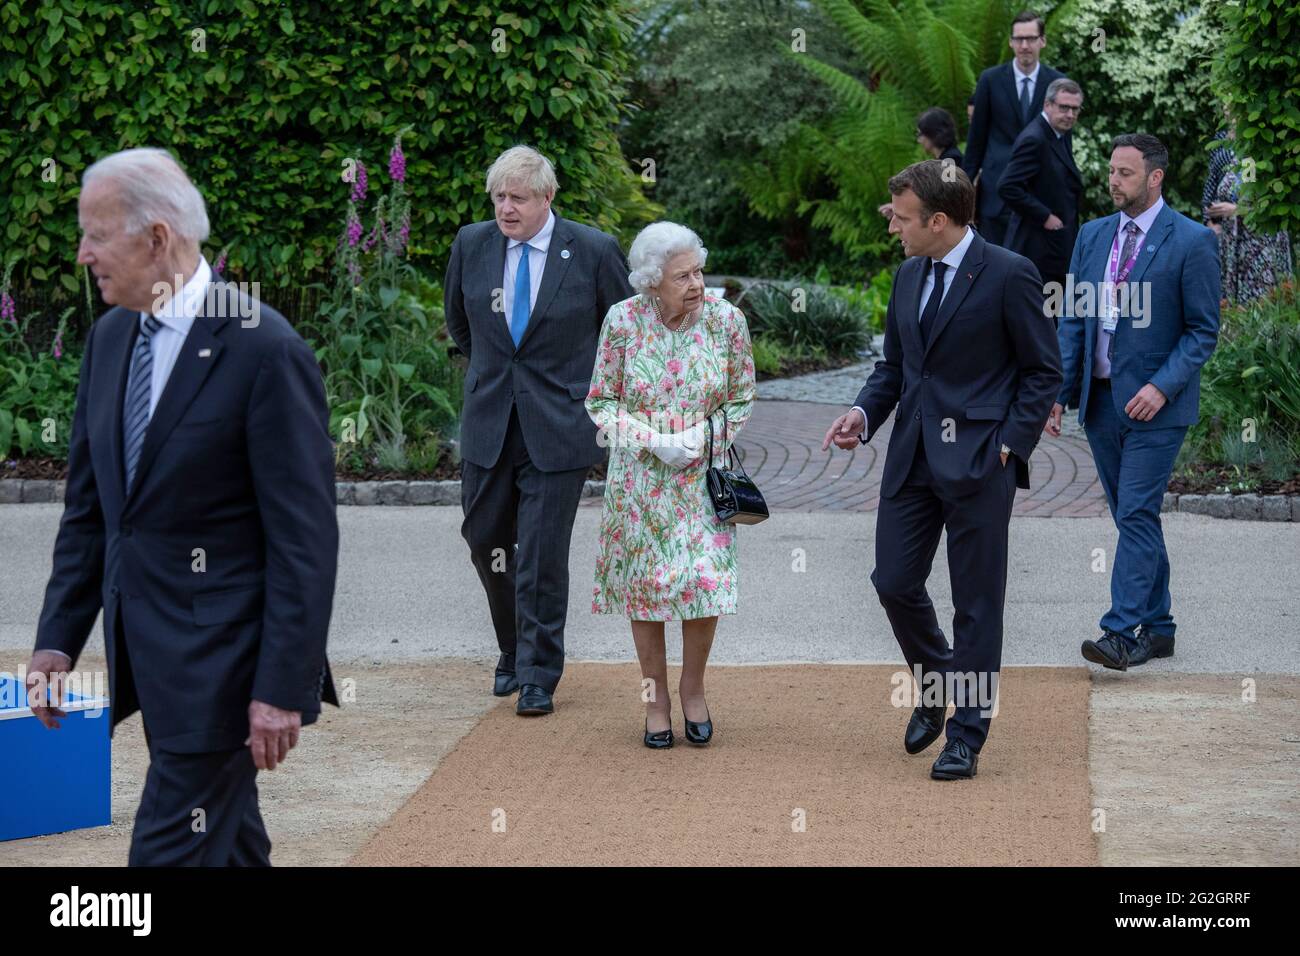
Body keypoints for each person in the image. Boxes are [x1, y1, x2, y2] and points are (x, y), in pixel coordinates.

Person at [26, 147, 339, 865]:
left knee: (166, 851)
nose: (82, 255)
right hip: (150, 658)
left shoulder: (263, 347)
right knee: (229, 847)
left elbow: (304, 540)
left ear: (157, 237)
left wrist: (280, 689)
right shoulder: (110, 339)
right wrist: (56, 641)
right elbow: (93, 512)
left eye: (96, 235)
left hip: (224, 671)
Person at [822, 160, 1061, 780]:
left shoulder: (1011, 274)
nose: (893, 228)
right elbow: (897, 369)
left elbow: (1042, 372)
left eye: (901, 218)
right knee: (893, 580)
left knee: (977, 604)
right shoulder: (907, 275)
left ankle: (967, 734)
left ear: (938, 219)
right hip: (913, 458)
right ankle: (936, 682)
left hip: (984, 463)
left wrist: (1010, 446)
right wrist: (861, 414)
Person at [444, 146, 633, 716]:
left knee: (542, 555)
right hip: (490, 419)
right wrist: (495, 376)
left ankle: (537, 675)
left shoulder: (593, 250)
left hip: (560, 425)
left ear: (547, 198)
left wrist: (596, 400)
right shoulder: (472, 244)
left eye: (518, 197)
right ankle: (512, 647)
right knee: (485, 540)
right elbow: (460, 323)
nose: (506, 207)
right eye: (499, 196)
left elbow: (623, 330)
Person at [1048, 134, 1219, 671]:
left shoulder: (1192, 241)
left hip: (1157, 408)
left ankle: (1120, 632)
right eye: (1111, 171)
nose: (1113, 181)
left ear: (1154, 177)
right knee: (1133, 517)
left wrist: (1161, 386)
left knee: (1138, 512)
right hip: (1099, 403)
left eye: (1125, 173)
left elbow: (1202, 332)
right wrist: (1057, 393)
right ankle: (1161, 627)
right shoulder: (1093, 236)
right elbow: (1073, 319)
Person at [585, 222, 755, 749]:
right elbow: (601, 402)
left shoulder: (727, 322)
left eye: (699, 270)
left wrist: (702, 437)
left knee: (702, 583)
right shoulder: (622, 321)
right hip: (641, 479)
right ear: (651, 281)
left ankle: (693, 688)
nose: (696, 283)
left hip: (704, 478)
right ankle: (654, 696)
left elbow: (742, 398)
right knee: (648, 587)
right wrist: (653, 440)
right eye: (682, 276)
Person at [963, 11, 1066, 246]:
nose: (1025, 45)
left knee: (1034, 275)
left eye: (1030, 38)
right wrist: (963, 190)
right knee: (991, 270)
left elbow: (1062, 143)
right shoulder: (989, 80)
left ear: (1043, 40)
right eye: (1019, 39)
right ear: (1010, 42)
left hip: (1041, 197)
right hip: (996, 195)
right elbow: (976, 138)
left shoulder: (1057, 82)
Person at [998, 77, 1084, 304]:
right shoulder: (1034, 138)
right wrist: (1045, 216)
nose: (1070, 115)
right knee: (1041, 316)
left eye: (1075, 109)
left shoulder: (1060, 133)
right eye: (1064, 107)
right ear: (1047, 105)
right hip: (1036, 246)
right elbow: (1008, 186)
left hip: (1053, 245)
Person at [1202, 125, 1294, 302]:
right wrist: (1210, 220)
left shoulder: (1257, 151)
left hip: (1257, 239)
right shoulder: (1226, 147)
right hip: (1234, 238)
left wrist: (1236, 210)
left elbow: (1256, 198)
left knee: (1263, 297)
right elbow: (1212, 187)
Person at [880, 108, 964, 221]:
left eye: (920, 134)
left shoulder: (950, 160)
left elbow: (946, 199)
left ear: (934, 134)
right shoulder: (945, 159)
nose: (919, 140)